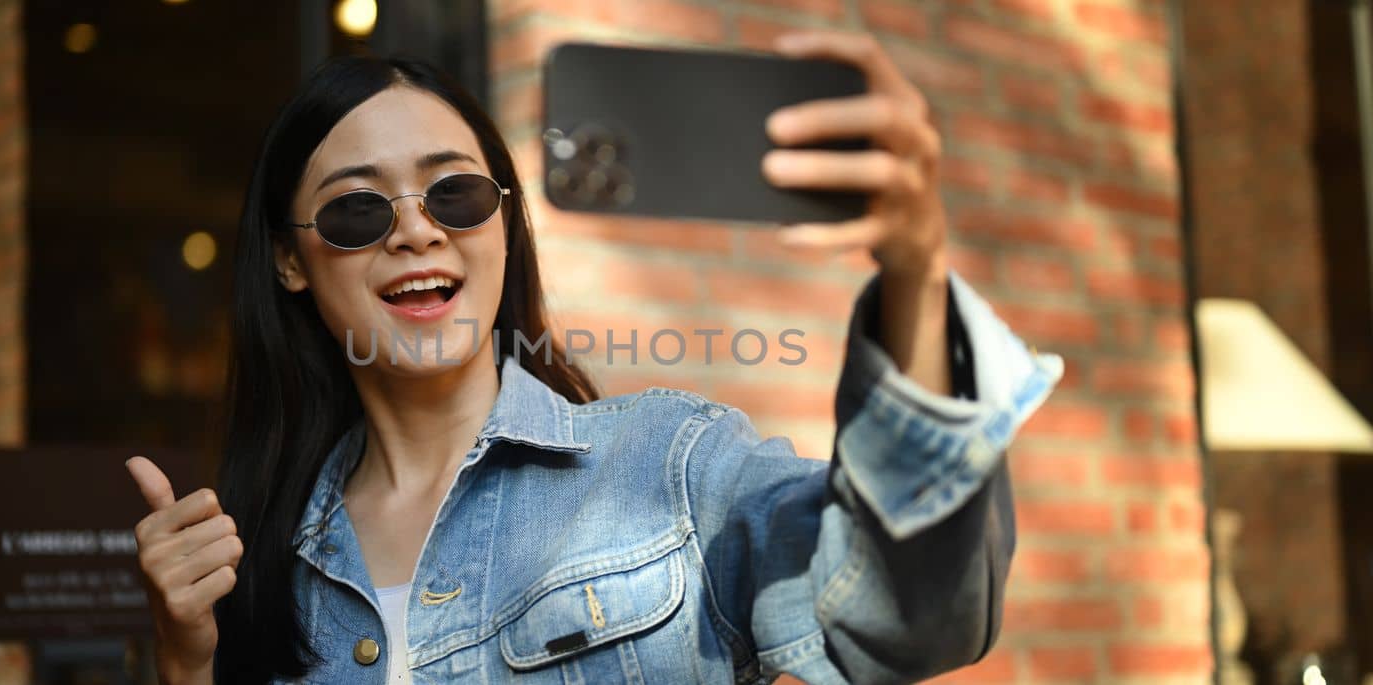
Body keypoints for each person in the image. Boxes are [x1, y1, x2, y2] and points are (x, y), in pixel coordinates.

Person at [125, 29, 1061, 685]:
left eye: (454, 195)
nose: (414, 230)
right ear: (290, 259)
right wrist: (186, 660)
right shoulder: (264, 556)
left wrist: (916, 279)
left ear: (501, 224)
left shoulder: (671, 463)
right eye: (357, 208)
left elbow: (907, 621)